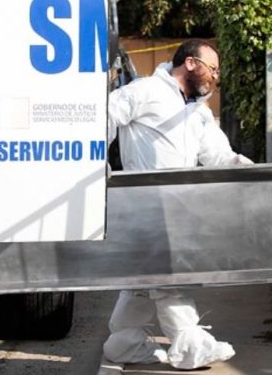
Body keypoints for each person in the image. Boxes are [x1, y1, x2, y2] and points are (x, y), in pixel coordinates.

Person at [103, 39, 252, 369]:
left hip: (179, 208)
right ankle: (192, 347)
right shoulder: (146, 91)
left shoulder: (198, 111)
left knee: (144, 281)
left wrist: (247, 170)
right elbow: (104, 117)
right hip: (144, 205)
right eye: (212, 69)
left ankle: (123, 344)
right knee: (169, 279)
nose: (215, 76)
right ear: (190, 63)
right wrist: (98, 166)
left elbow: (217, 155)